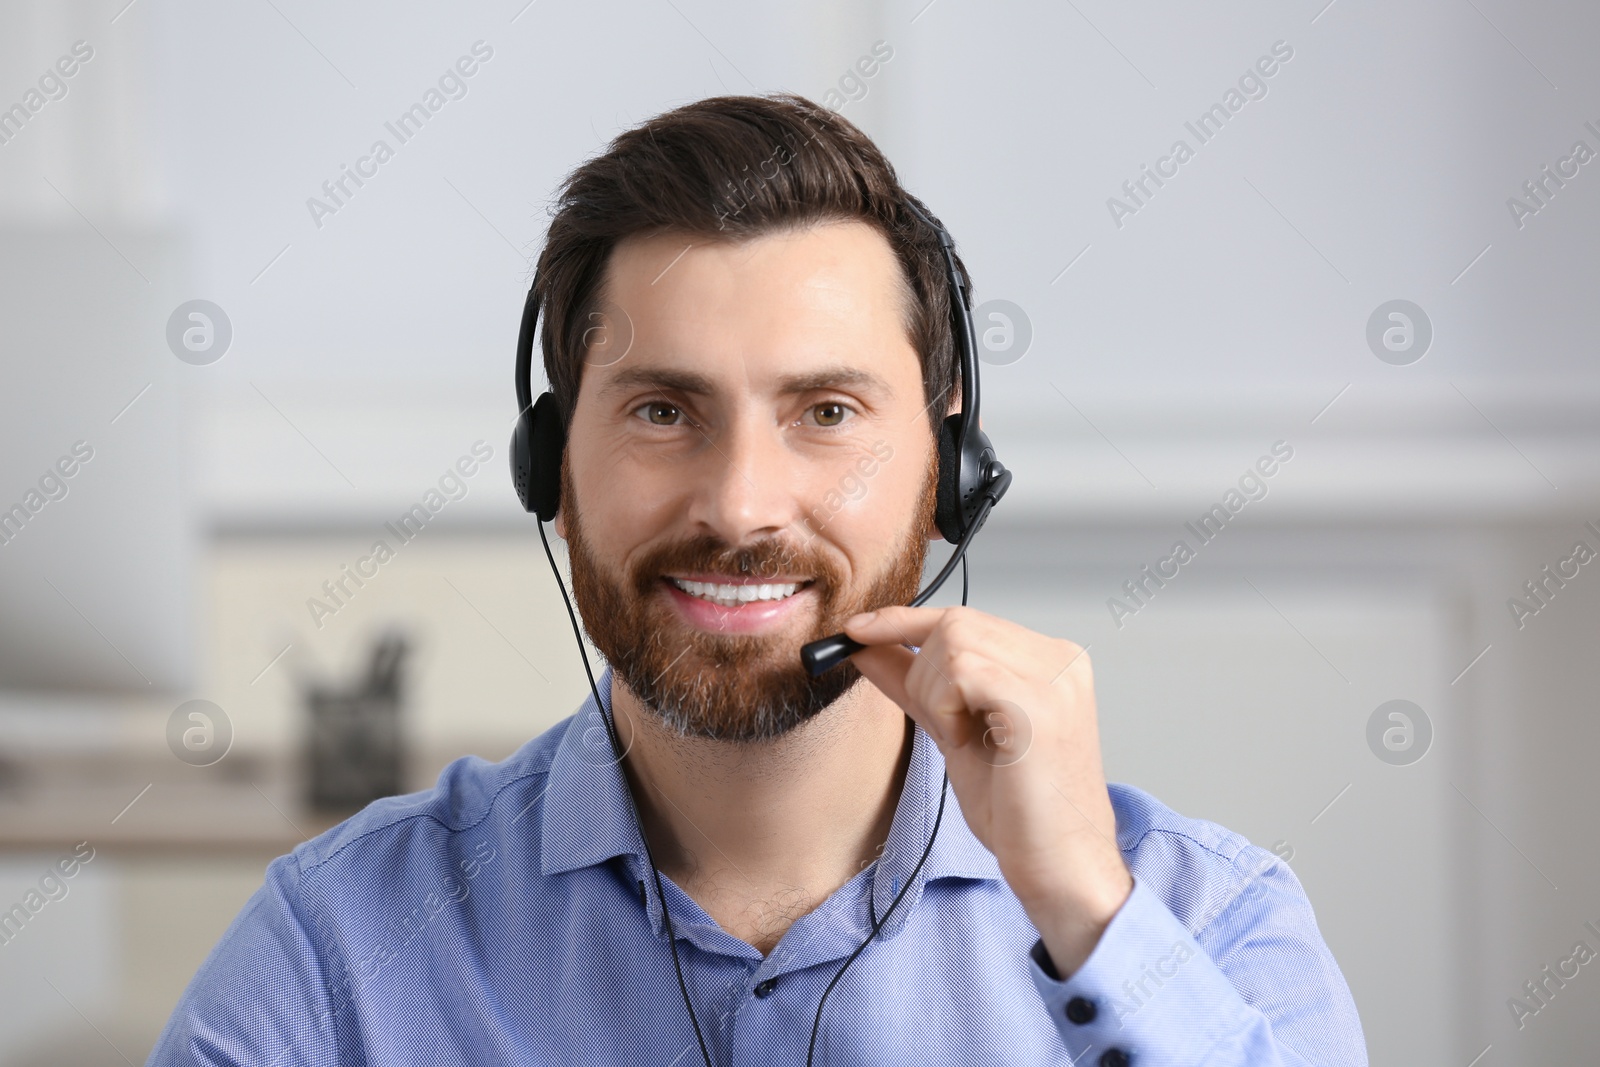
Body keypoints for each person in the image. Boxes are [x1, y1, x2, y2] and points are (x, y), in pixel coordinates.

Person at [149, 94, 1366, 1066]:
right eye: (663, 410)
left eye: (825, 411)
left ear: (949, 466)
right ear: (551, 465)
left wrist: (1087, 912)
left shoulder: (1203, 920)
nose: (738, 504)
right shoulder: (338, 949)